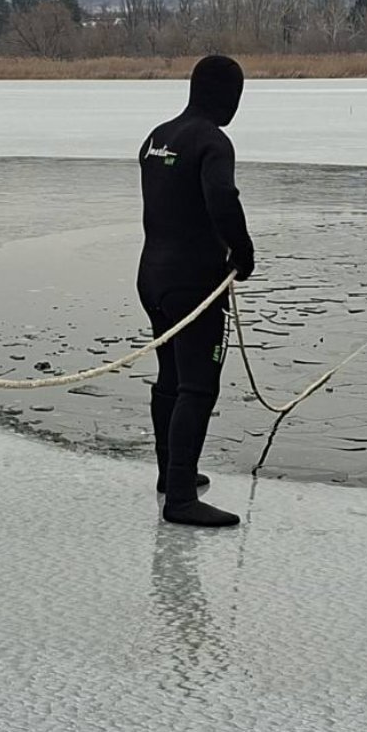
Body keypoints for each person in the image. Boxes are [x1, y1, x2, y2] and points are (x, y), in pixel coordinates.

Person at [137, 55, 256, 529]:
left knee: (170, 377)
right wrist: (243, 253)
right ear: (227, 95)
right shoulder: (213, 141)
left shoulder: (156, 138)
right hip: (195, 284)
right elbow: (221, 199)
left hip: (152, 278)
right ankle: (182, 499)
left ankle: (172, 475)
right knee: (197, 386)